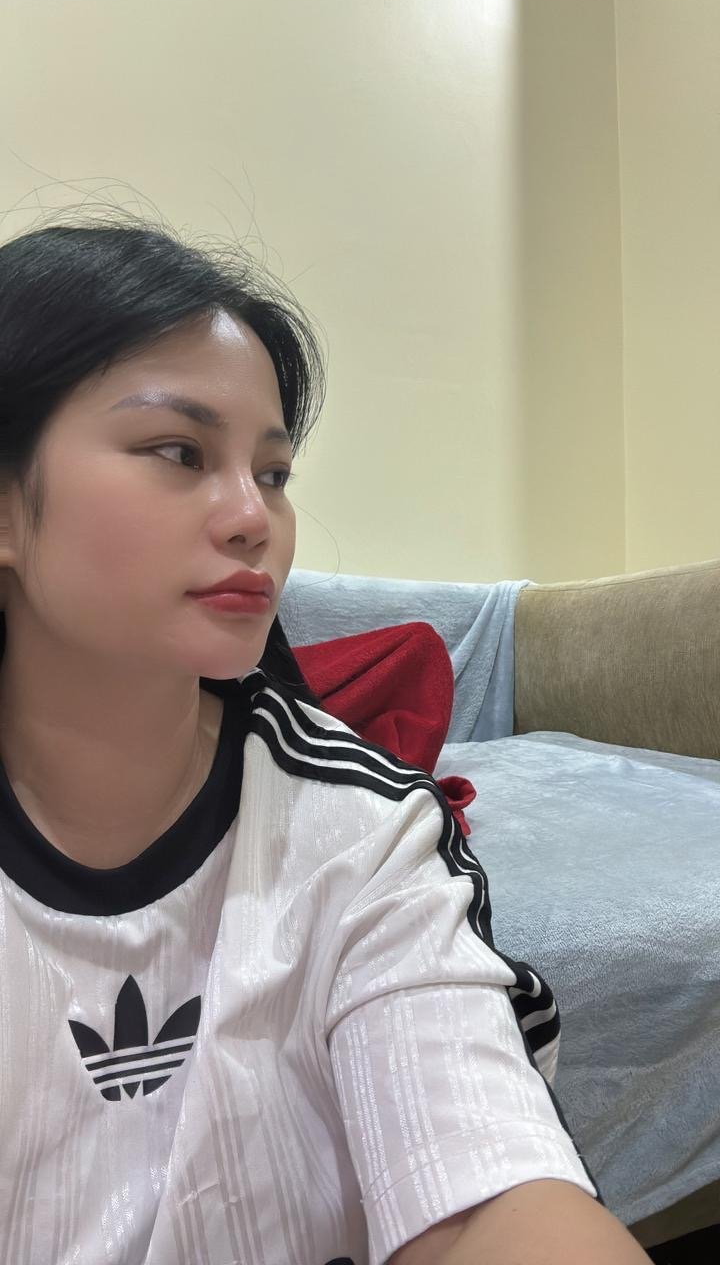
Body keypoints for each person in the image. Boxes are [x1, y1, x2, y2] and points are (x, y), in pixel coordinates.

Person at [0, 218, 651, 1264]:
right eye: (180, 452)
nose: (253, 518)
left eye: (272, 472)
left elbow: (484, 1195)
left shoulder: (365, 829)